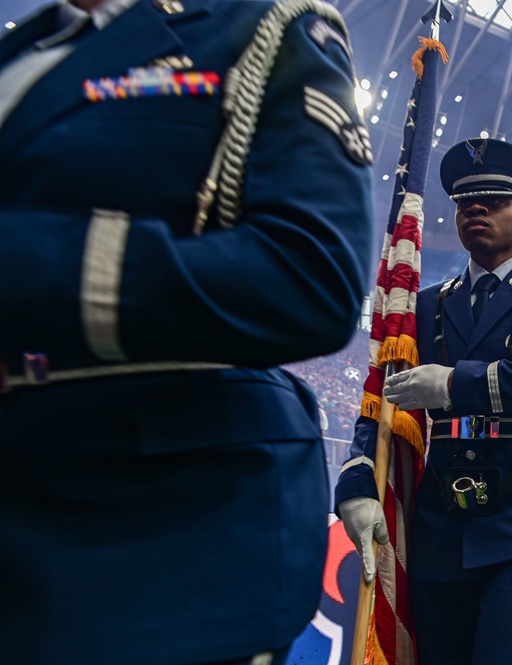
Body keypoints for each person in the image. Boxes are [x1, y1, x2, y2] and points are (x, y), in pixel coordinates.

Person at [0, 0, 375, 663]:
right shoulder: (21, 48)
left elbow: (313, 274)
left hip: (157, 526)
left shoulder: (265, 30)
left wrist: (29, 262)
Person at [335, 138, 512, 665]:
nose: (475, 210)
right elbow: (382, 397)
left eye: (494, 201)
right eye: (464, 203)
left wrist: (456, 385)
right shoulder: (425, 304)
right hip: (442, 517)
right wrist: (357, 479)